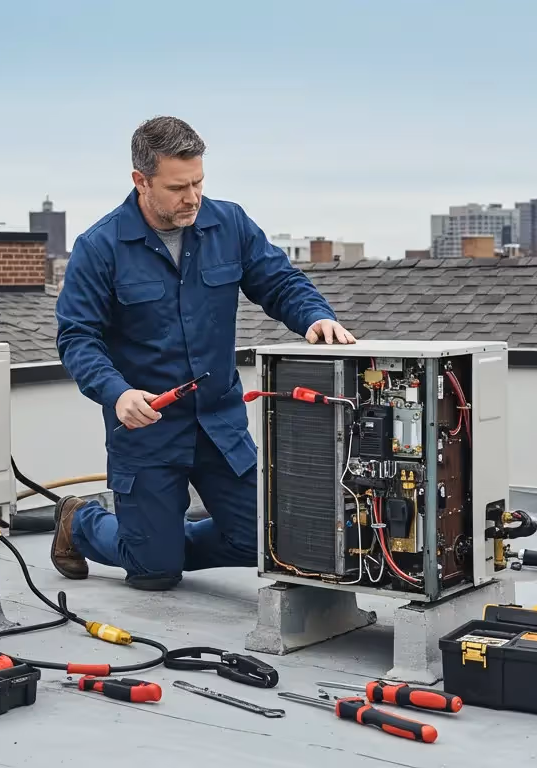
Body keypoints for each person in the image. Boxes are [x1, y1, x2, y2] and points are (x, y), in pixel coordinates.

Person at [51, 116, 356, 591]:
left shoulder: (229, 223)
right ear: (141, 181)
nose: (192, 197)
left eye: (198, 182)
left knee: (271, 542)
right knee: (154, 574)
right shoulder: (100, 246)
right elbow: (77, 337)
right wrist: (117, 393)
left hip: (219, 423)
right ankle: (81, 522)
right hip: (148, 432)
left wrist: (315, 317)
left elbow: (280, 282)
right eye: (177, 187)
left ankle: (164, 541)